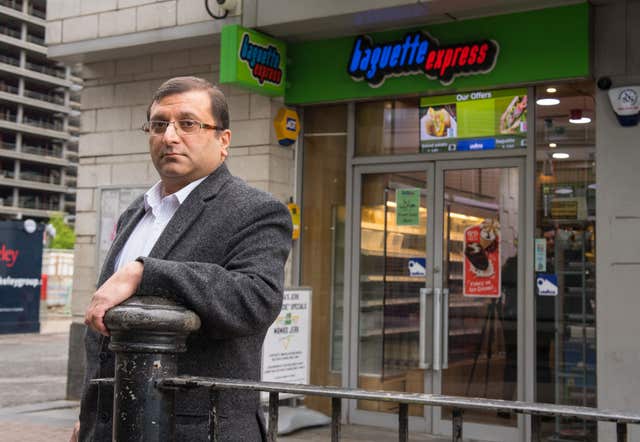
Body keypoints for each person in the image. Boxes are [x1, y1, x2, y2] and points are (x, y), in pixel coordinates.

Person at [71, 76, 292, 442]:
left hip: (199, 430)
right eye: (159, 124)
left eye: (188, 124)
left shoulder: (256, 210)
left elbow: (255, 299)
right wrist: (91, 416)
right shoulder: (135, 214)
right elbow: (103, 334)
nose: (170, 137)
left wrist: (146, 273)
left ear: (224, 140)